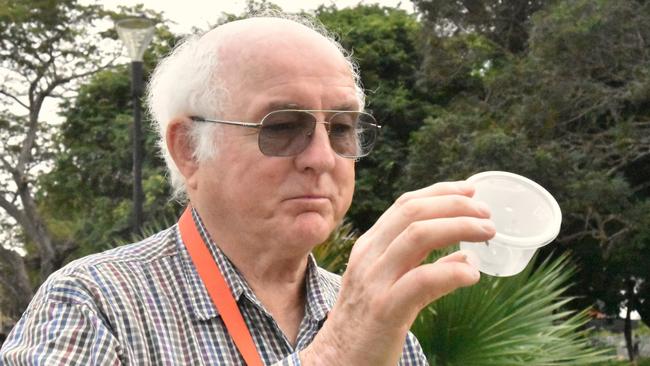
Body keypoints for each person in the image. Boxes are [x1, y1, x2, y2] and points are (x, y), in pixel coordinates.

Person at [0, 12, 495, 365]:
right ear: (189, 148)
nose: (323, 157)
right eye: (281, 127)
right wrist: (335, 355)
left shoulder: (376, 317)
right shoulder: (95, 303)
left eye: (342, 127)